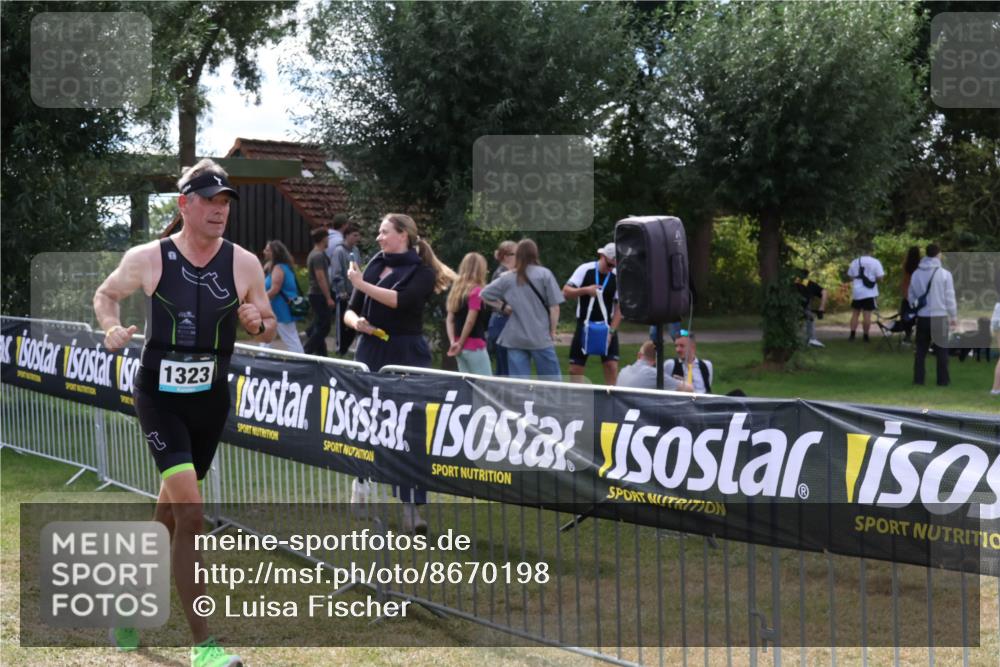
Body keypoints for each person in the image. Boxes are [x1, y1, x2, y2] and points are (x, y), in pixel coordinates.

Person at [93, 159, 275, 665]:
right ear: (184, 205)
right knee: (192, 514)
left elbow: (269, 325)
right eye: (210, 201)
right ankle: (204, 646)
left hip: (210, 401)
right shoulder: (149, 258)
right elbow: (106, 295)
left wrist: (257, 321)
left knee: (171, 512)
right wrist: (110, 325)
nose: (219, 211)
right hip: (160, 399)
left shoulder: (244, 264)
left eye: (225, 203)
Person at [343, 213, 455, 533]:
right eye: (378, 232)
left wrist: (361, 283)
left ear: (403, 234)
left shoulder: (421, 272)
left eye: (384, 232)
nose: (378, 238)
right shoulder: (376, 264)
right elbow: (351, 309)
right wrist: (356, 323)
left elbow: (400, 302)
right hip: (370, 351)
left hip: (406, 354)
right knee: (366, 421)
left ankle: (410, 510)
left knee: (409, 429)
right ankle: (361, 487)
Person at [481, 239, 564, 380]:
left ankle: (521, 402)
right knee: (551, 380)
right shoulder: (544, 274)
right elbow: (554, 307)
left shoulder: (508, 278)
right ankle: (550, 402)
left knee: (519, 383)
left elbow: (484, 294)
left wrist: (502, 307)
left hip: (515, 337)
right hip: (540, 336)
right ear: (535, 254)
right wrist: (553, 331)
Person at [563, 242, 623, 384]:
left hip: (606, 325)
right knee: (575, 369)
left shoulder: (616, 276)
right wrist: (585, 290)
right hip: (584, 323)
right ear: (601, 256)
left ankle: (611, 399)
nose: (611, 269)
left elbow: (620, 308)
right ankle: (579, 400)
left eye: (614, 266)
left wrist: (611, 332)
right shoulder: (585, 269)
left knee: (611, 366)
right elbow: (565, 292)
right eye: (609, 265)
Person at [908, 243, 957, 387]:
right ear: (938, 254)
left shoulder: (916, 273)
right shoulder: (944, 274)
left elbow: (911, 295)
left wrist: (915, 308)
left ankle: (918, 379)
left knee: (920, 351)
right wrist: (953, 316)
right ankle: (942, 381)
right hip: (939, 316)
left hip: (922, 316)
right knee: (941, 351)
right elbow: (949, 297)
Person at [446, 252, 493, 375]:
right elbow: (470, 320)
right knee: (486, 384)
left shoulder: (456, 291)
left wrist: (453, 342)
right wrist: (461, 343)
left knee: (467, 384)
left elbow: (450, 319)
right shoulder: (477, 291)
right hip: (474, 345)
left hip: (458, 346)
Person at [262, 239, 305, 354]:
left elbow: (275, 290)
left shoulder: (279, 268)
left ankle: (301, 361)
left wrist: (260, 301)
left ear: (274, 252)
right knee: (266, 335)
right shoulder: (275, 266)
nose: (264, 252)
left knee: (290, 338)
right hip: (275, 308)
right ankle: (262, 358)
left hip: (281, 309)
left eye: (267, 250)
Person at [329, 222, 362, 355]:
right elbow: (336, 273)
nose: (357, 238)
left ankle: (347, 346)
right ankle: (340, 349)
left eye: (358, 235)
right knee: (342, 322)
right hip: (343, 293)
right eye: (354, 235)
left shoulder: (356, 250)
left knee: (354, 321)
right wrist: (341, 291)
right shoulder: (339, 251)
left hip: (355, 291)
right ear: (347, 235)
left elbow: (358, 268)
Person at [303, 226, 335, 356]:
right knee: (324, 326)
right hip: (318, 294)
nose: (329, 241)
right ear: (323, 239)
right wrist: (328, 297)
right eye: (328, 238)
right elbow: (320, 276)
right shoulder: (317, 256)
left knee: (319, 323)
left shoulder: (316, 254)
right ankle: (307, 350)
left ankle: (322, 354)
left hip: (316, 293)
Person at [486, 240, 517, 376]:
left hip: (503, 322)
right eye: (516, 254)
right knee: (505, 366)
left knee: (506, 364)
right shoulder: (502, 274)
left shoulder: (507, 272)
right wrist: (505, 307)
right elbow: (488, 295)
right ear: (506, 257)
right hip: (502, 321)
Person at [617, 341, 694, 392]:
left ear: (639, 355)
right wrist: (682, 380)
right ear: (656, 360)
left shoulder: (623, 370)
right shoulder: (653, 373)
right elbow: (689, 389)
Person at [847, 249, 885, 342]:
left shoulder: (855, 261)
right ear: (871, 252)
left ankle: (852, 335)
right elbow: (880, 277)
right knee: (867, 314)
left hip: (857, 291)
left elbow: (850, 276)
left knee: (855, 313)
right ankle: (866, 336)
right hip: (869, 292)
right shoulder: (875, 262)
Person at [794, 269, 827, 348]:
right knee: (809, 317)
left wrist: (821, 307)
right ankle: (811, 339)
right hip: (796, 308)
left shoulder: (802, 283)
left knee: (809, 317)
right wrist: (821, 307)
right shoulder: (805, 283)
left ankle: (811, 339)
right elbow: (824, 292)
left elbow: (824, 292)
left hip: (802, 308)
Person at [900, 246, 921, 343]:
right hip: (918, 293)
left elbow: (905, 279)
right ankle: (920, 336)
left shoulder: (906, 264)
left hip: (907, 292)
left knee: (905, 315)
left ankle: (908, 334)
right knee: (920, 315)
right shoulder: (920, 265)